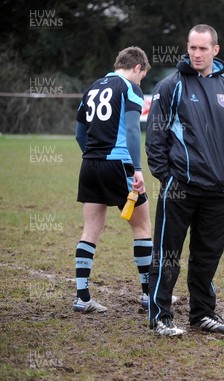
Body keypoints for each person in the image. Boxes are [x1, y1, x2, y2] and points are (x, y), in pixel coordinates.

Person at [146, 24, 224, 336]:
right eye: (192, 47)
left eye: (203, 48)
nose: (196, 54)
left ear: (216, 50)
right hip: (181, 190)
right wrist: (167, 177)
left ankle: (203, 314)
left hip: (220, 192)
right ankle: (161, 317)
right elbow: (155, 138)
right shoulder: (169, 87)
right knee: (168, 256)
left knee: (206, 257)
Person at [73, 46, 152, 313]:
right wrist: (137, 168)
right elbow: (131, 128)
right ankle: (148, 295)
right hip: (119, 164)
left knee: (90, 230)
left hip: (90, 165)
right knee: (142, 227)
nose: (140, 82)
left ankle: (82, 297)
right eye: (142, 76)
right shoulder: (130, 88)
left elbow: (79, 133)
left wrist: (92, 154)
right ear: (137, 67)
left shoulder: (93, 87)